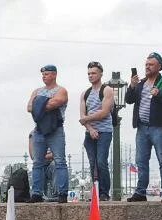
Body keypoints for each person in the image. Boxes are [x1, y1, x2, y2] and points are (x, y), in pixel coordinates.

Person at [124, 52, 162, 202]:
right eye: (146, 64)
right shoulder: (140, 83)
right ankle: (140, 192)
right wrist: (132, 86)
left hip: (159, 128)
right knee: (141, 161)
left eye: (151, 64)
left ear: (159, 67)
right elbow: (129, 100)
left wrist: (159, 94)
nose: (147, 67)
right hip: (142, 128)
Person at [28, 64, 69, 203]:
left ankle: (62, 193)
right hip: (39, 130)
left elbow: (58, 101)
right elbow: (29, 107)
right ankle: (36, 193)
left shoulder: (61, 90)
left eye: (46, 74)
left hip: (55, 130)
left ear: (54, 74)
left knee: (60, 161)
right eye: (43, 74)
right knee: (37, 162)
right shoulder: (37, 90)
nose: (43, 76)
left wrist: (38, 104)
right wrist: (43, 104)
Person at [79, 62, 115, 201]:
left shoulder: (107, 90)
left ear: (100, 74)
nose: (90, 76)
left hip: (104, 131)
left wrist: (87, 119)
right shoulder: (85, 93)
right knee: (92, 163)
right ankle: (95, 192)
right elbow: (82, 116)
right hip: (90, 132)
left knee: (101, 162)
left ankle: (104, 192)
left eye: (93, 73)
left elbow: (105, 113)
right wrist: (90, 128)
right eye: (89, 73)